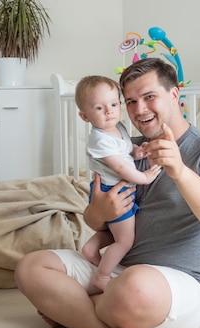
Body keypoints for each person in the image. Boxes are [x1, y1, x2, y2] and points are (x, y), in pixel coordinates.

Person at [14, 58, 200, 328]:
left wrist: (181, 172)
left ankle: (76, 310)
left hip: (181, 284)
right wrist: (102, 211)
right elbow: (95, 221)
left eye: (149, 97)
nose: (139, 110)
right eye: (131, 101)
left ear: (174, 95)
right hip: (120, 270)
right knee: (30, 268)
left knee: (134, 288)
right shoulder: (122, 147)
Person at [74, 75, 161, 293]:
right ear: (85, 116)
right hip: (113, 191)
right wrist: (145, 177)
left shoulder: (117, 127)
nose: (109, 111)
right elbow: (121, 168)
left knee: (116, 233)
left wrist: (136, 151)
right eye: (100, 108)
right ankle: (101, 277)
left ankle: (90, 248)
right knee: (125, 240)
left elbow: (126, 147)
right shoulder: (99, 140)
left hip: (119, 190)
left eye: (113, 104)